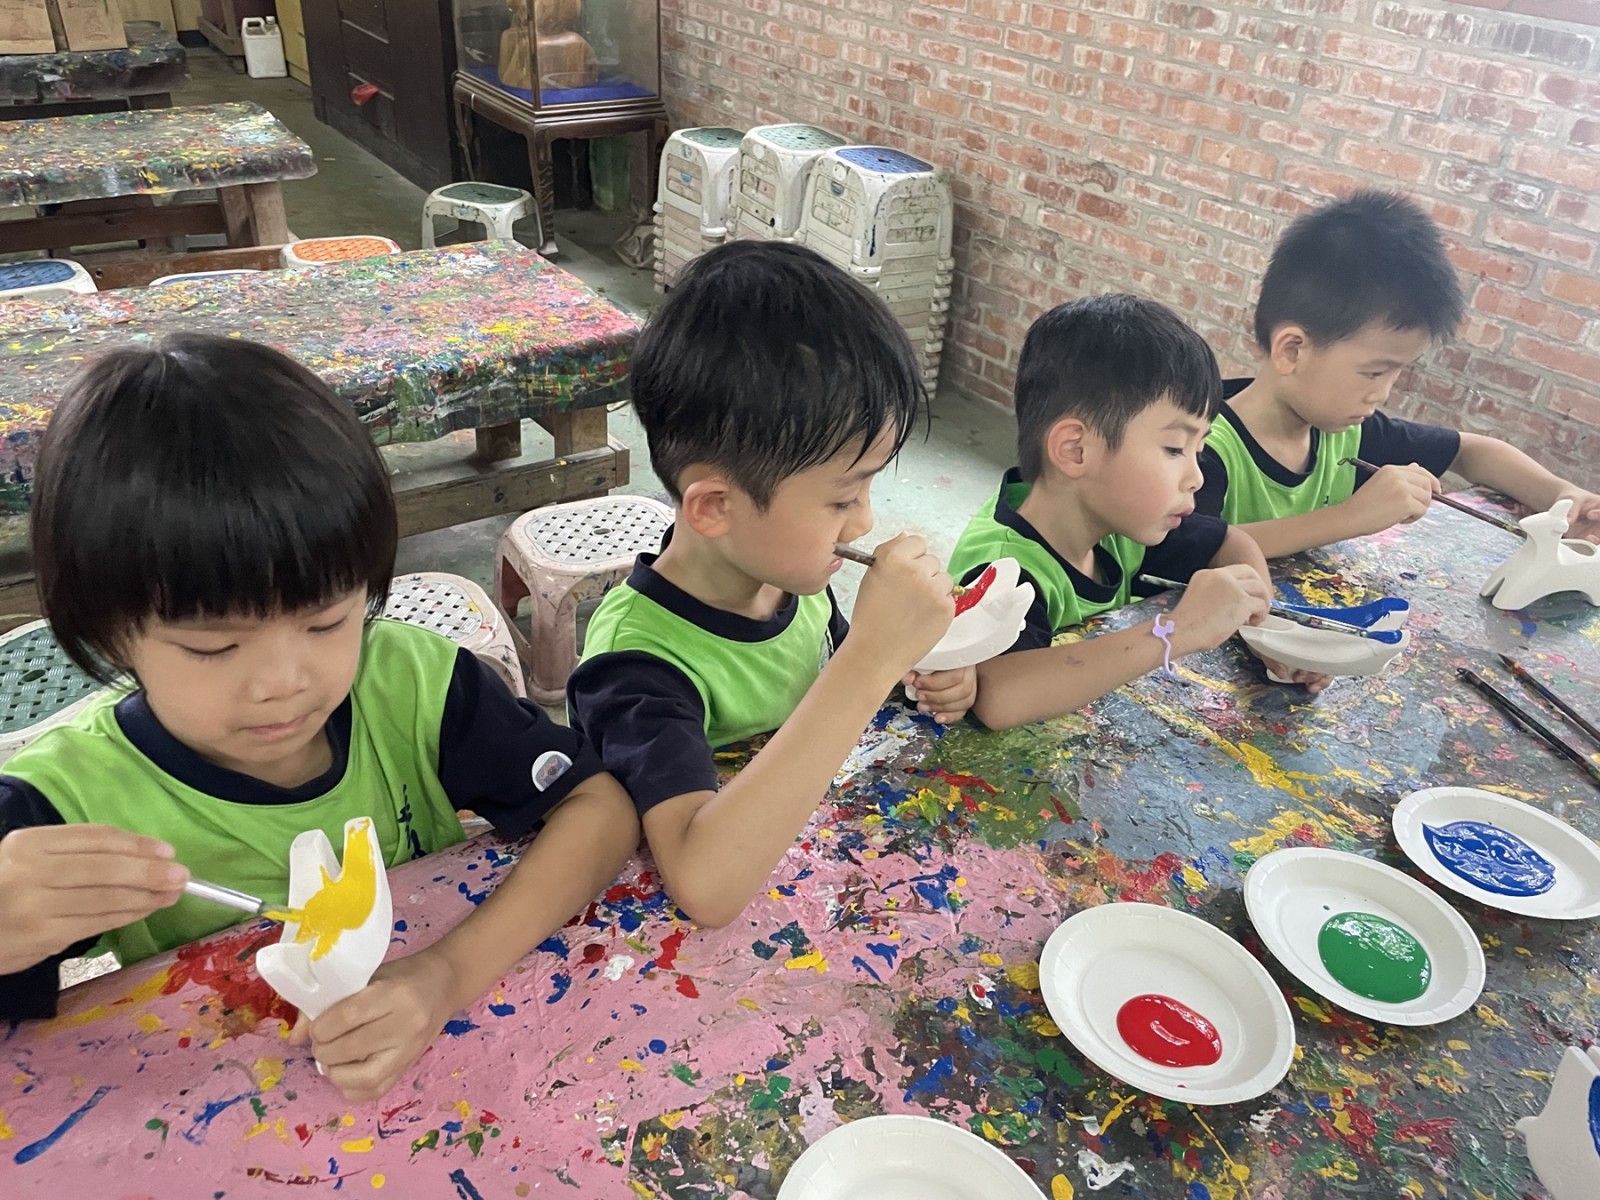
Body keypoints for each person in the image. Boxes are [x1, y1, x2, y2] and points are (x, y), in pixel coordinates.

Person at [0, 334, 637, 1103]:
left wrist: (447, 973)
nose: (283, 684)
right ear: (110, 637)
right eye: (214, 647)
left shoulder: (410, 684)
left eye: (326, 622)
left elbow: (598, 808)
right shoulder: (65, 803)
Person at [567, 241, 968, 928]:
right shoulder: (634, 666)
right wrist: (872, 658)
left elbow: (832, 694)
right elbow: (705, 885)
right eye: (842, 499)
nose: (864, 522)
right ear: (716, 508)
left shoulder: (788, 577)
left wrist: (915, 670)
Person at [951, 294, 1318, 732]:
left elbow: (1231, 542)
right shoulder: (1003, 569)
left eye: (1199, 450)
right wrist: (1176, 630)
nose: (1196, 477)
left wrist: (1265, 633)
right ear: (1077, 450)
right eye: (1175, 449)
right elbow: (999, 695)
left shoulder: (1116, 525)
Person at [1196, 188, 1600, 556]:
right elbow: (1188, 548)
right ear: (1292, 350)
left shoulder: (1346, 434)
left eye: (1396, 374)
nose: (1383, 394)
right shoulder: (1198, 449)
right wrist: (1350, 517)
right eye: (1374, 373)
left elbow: (1471, 452)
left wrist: (1561, 496)